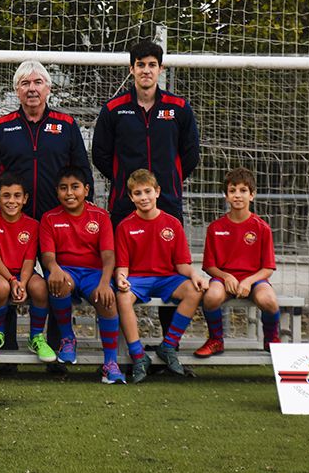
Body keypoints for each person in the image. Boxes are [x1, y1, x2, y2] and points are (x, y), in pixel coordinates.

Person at [0, 60, 93, 363]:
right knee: (12, 278)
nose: (32, 89)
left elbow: (81, 171)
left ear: (48, 88)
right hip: (16, 223)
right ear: (17, 90)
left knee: (54, 282)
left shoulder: (65, 125)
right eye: (25, 83)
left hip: (57, 222)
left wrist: (74, 210)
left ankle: (54, 346)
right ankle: (8, 346)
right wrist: (5, 211)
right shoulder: (3, 127)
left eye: (38, 83)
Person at [91, 40, 200, 342]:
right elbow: (100, 153)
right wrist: (125, 184)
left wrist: (168, 183)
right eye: (141, 65)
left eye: (152, 65)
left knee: (170, 273)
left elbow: (190, 154)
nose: (146, 70)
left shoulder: (179, 108)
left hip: (167, 203)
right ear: (132, 69)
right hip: (125, 206)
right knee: (122, 277)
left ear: (160, 69)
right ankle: (121, 347)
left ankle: (169, 347)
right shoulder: (114, 109)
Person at [114, 169, 207, 383]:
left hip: (167, 278)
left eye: (148, 191)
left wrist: (195, 275)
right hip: (138, 279)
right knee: (122, 296)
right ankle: (138, 356)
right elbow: (123, 266)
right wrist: (121, 278)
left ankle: (168, 345)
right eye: (138, 193)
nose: (143, 197)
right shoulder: (125, 226)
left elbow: (182, 264)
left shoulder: (172, 223)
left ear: (157, 192)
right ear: (131, 197)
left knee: (195, 291)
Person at [39, 166, 125, 384]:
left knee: (108, 300)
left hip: (93, 274)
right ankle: (68, 337)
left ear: (86, 190)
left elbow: (108, 257)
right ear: (56, 192)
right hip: (66, 271)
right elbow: (48, 256)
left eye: (75, 187)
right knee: (59, 281)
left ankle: (110, 364)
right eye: (64, 188)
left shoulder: (101, 216)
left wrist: (106, 283)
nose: (69, 193)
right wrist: (55, 269)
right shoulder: (49, 218)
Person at [196, 167, 279, 357]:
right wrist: (226, 276)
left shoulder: (262, 228)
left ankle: (271, 340)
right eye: (232, 191)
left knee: (269, 300)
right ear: (226, 196)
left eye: (243, 190)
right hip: (224, 279)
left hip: (255, 280)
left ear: (252, 195)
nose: (237, 195)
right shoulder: (215, 228)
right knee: (211, 297)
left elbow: (268, 268)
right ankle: (216, 340)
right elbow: (209, 266)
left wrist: (249, 281)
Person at [0, 173, 55, 363]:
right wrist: (12, 281)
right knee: (0, 288)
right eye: (6, 196)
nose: (11, 201)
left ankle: (36, 336)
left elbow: (30, 259)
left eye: (16, 196)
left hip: (23, 272)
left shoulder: (32, 225)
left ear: (25, 199)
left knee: (40, 287)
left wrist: (22, 282)